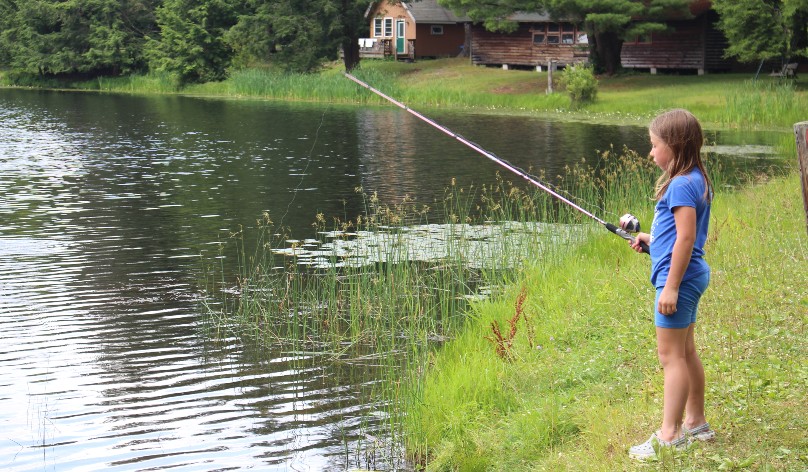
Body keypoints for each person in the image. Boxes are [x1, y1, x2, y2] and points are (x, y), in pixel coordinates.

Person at [625, 109, 716, 460]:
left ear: (673, 146)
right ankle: (696, 423)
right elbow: (678, 234)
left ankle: (669, 435)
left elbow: (687, 238)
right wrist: (651, 239)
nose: (651, 153)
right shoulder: (696, 178)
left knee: (670, 357)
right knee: (686, 350)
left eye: (654, 145)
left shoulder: (678, 184)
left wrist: (671, 286)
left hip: (680, 279)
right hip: (693, 274)